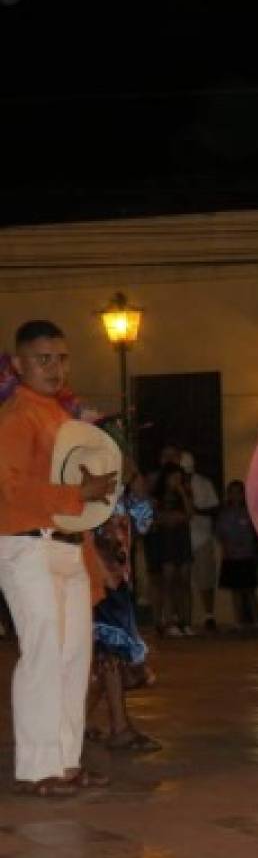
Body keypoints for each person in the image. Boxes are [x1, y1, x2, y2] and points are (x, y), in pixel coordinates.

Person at [0, 320, 117, 796]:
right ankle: (37, 768)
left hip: (67, 545)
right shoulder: (16, 418)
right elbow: (9, 490)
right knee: (45, 653)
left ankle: (66, 762)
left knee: (74, 656)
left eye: (61, 358)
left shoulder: (59, 417)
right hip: (26, 543)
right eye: (43, 359)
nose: (54, 368)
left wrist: (95, 552)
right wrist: (78, 492)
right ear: (19, 363)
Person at [87, 453, 160, 752]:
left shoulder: (122, 497)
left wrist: (140, 491)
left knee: (110, 659)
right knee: (112, 657)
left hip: (119, 583)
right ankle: (118, 727)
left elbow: (142, 525)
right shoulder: (93, 495)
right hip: (102, 583)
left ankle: (78, 723)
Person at [151, 462, 194, 636]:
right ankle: (169, 621)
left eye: (180, 477)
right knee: (168, 580)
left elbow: (190, 514)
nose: (177, 480)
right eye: (173, 477)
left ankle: (186, 621)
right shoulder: (157, 495)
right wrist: (167, 518)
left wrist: (183, 492)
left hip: (182, 537)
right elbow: (153, 517)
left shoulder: (185, 492)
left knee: (184, 579)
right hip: (166, 539)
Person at [180, 451, 221, 633]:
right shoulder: (174, 484)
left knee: (205, 578)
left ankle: (208, 615)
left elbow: (214, 509)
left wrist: (197, 511)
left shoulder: (204, 484)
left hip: (201, 536)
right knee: (182, 580)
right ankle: (183, 617)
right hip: (180, 537)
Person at [215, 480, 258, 629]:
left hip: (247, 556)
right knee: (235, 590)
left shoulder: (250, 512)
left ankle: (256, 621)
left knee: (249, 590)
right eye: (232, 492)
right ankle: (239, 621)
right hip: (231, 557)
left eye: (238, 492)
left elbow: (254, 533)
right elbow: (220, 533)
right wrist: (228, 545)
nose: (235, 496)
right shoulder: (224, 513)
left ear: (243, 494)